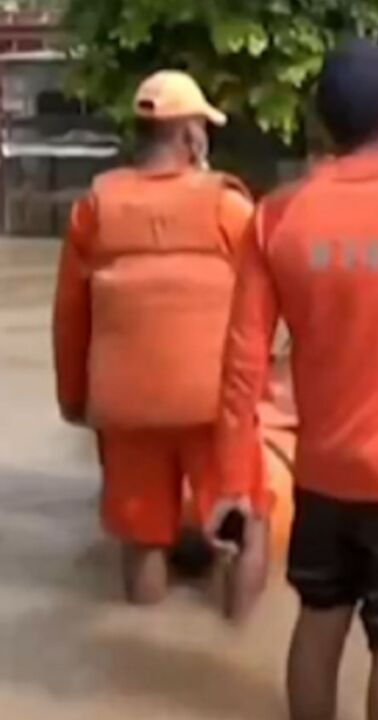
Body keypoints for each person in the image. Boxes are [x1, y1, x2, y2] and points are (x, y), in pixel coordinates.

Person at [209, 40, 378, 720]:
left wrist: (228, 480)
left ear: (323, 123)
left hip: (325, 468)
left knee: (320, 617)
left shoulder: (276, 216)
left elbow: (242, 366)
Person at [52, 70, 267, 617]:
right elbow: (266, 301)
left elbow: (70, 317)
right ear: (192, 138)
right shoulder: (227, 207)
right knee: (243, 526)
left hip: (125, 404)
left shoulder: (94, 208)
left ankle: (140, 630)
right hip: (212, 404)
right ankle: (240, 634)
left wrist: (75, 398)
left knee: (141, 534)